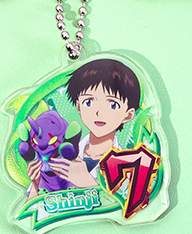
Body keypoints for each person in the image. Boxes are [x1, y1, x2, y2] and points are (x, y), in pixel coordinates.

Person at [27, 59, 140, 196]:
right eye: (88, 102)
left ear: (128, 115)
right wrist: (35, 185)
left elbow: (126, 204)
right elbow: (34, 208)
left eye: (113, 105)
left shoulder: (127, 167)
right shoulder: (60, 155)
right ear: (79, 107)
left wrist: (89, 183)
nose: (98, 112)